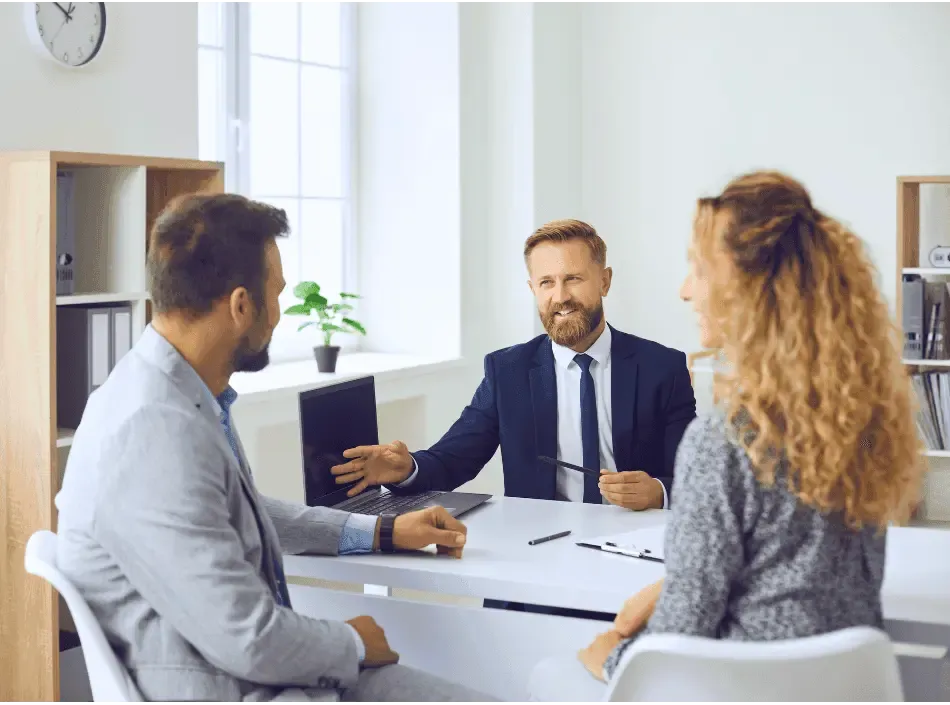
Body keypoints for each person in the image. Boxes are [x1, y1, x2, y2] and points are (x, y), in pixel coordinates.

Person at [55, 193, 498, 704]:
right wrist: (352, 642)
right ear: (242, 305)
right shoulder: (153, 426)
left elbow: (229, 509)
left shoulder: (174, 394)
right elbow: (248, 638)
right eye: (277, 293)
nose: (281, 313)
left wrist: (382, 531)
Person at [530, 171, 925, 703]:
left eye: (699, 270)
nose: (685, 290)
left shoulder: (724, 441)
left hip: (733, 690)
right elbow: (795, 573)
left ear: (749, 288)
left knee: (547, 674)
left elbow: (676, 640)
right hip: (845, 683)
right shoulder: (863, 418)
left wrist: (612, 647)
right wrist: (680, 583)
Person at [332, 219, 696, 512]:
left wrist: (658, 492)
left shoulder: (662, 368)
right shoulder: (507, 371)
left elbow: (694, 480)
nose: (561, 297)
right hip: (538, 546)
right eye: (546, 283)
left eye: (573, 279)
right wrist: (406, 468)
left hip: (633, 543)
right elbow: (453, 459)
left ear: (604, 281)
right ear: (532, 289)